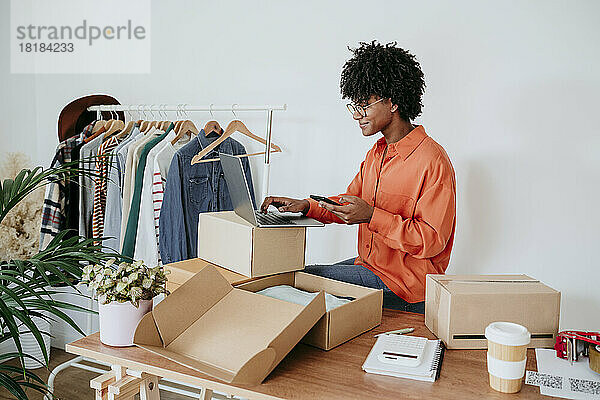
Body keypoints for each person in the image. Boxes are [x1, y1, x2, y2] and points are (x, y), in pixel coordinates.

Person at [261, 41, 456, 314]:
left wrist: (372, 216)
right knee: (292, 274)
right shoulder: (376, 154)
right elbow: (348, 203)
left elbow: (431, 240)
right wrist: (306, 205)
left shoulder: (433, 160)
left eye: (365, 105)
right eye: (355, 105)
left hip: (404, 283)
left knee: (293, 281)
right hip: (369, 267)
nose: (356, 114)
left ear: (393, 102)